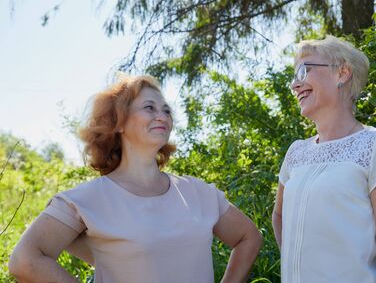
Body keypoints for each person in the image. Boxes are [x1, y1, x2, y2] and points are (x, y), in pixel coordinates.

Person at [9, 75, 262, 283]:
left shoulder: (199, 193)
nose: (162, 115)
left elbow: (249, 237)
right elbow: (25, 260)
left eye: (166, 110)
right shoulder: (86, 200)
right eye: (149, 108)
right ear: (118, 122)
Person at [272, 35, 376, 283]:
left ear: (342, 73)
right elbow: (280, 216)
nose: (295, 85)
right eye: (294, 76)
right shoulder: (295, 152)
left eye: (304, 71)